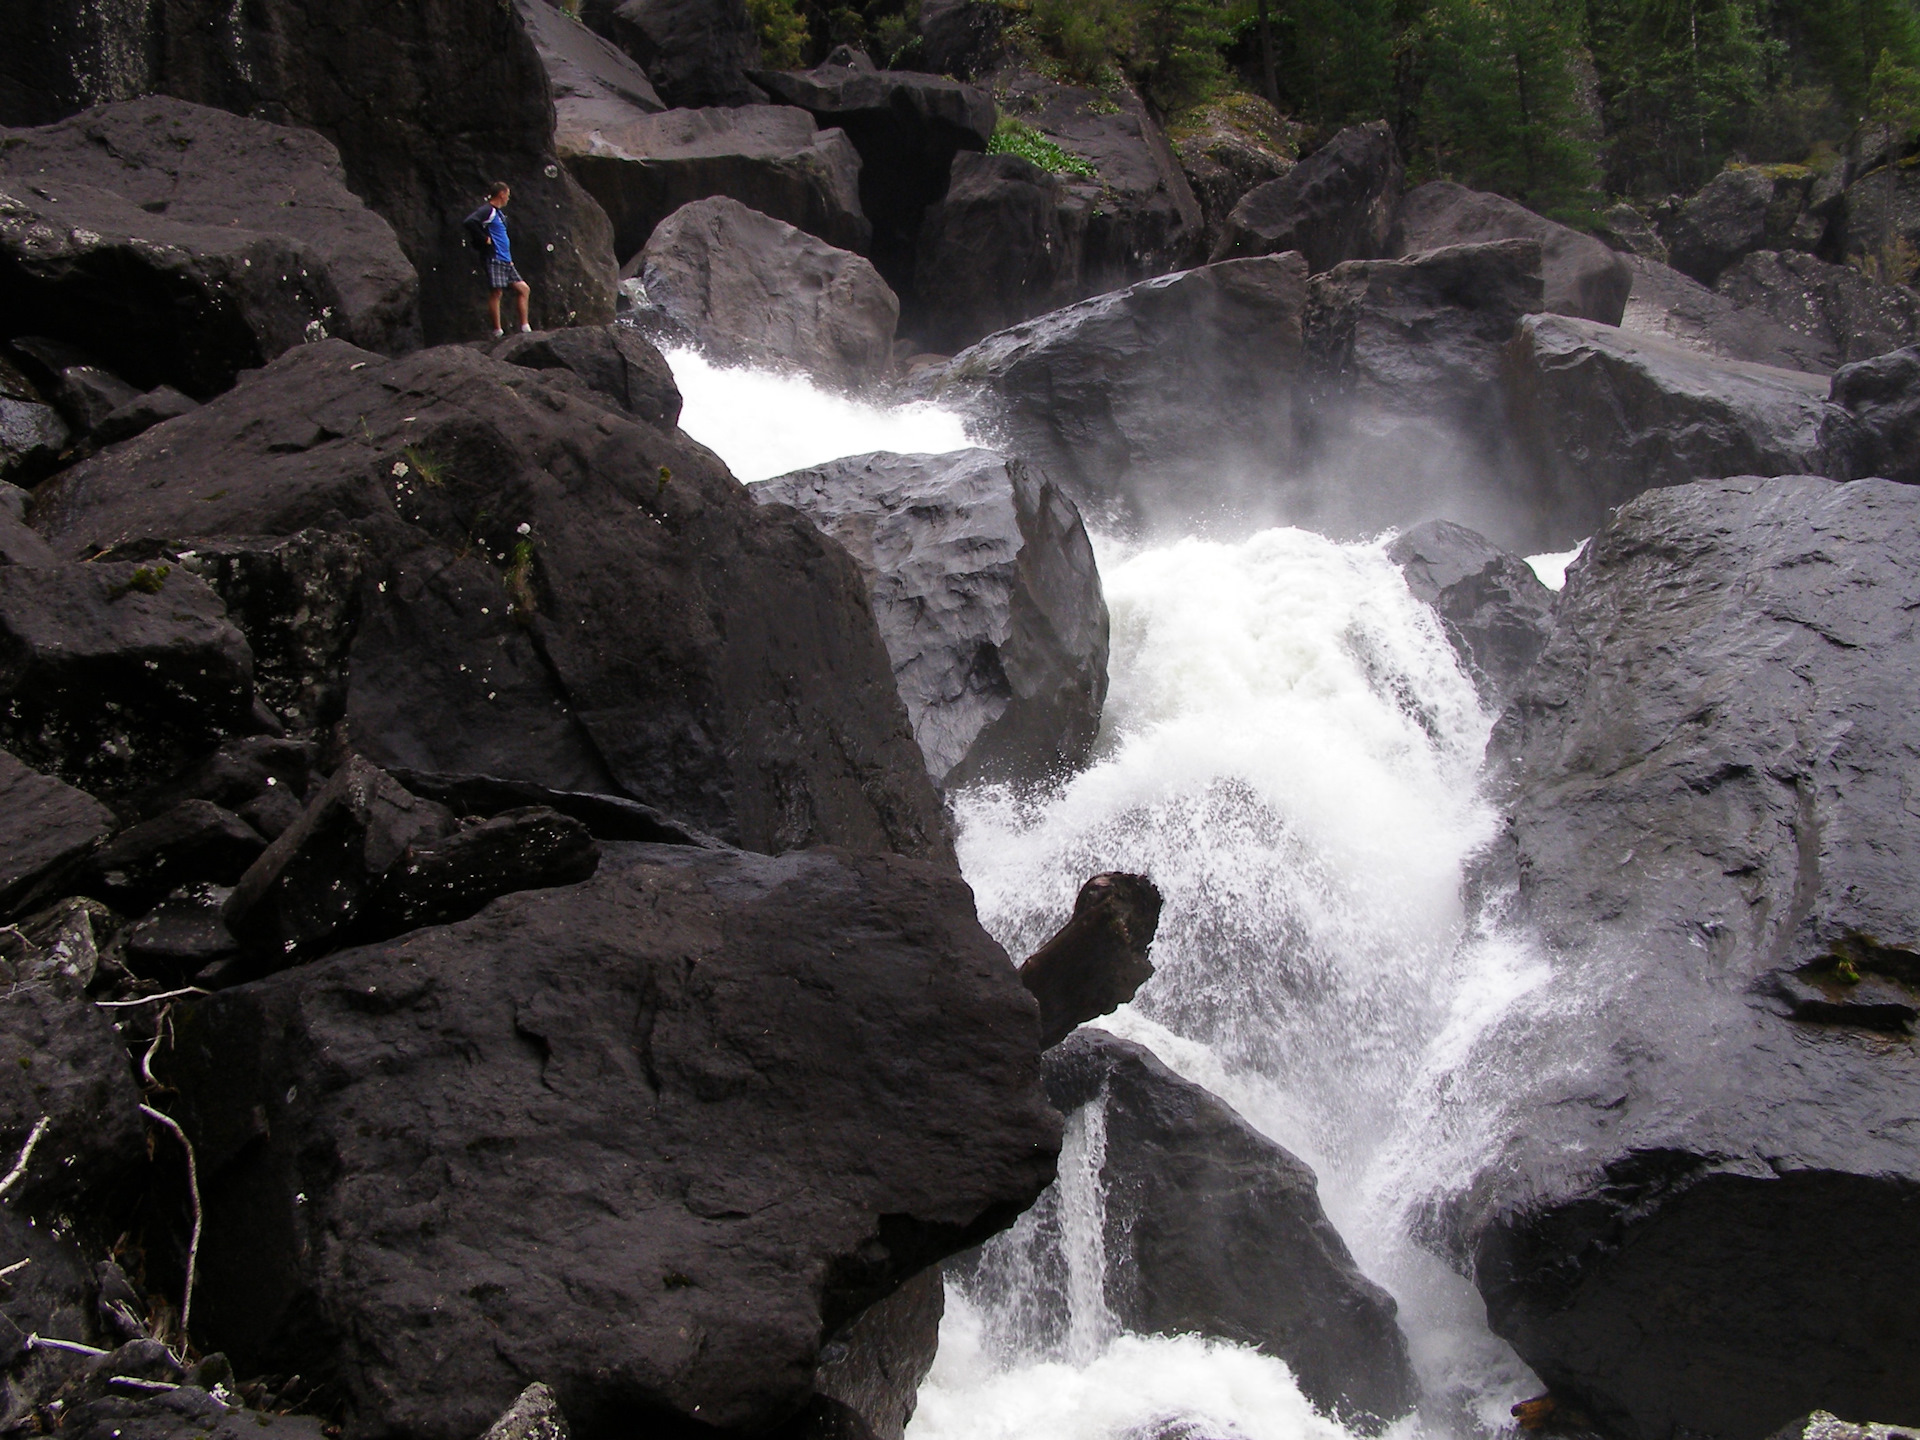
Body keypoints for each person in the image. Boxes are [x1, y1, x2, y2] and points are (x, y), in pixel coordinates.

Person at [471, 182, 531, 338]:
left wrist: (509, 259)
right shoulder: (487, 210)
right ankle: (497, 330)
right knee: (497, 292)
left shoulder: (499, 214)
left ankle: (525, 327)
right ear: (501, 194)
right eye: (508, 195)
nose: (508, 199)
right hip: (494, 257)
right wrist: (484, 239)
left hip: (506, 260)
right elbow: (470, 222)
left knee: (524, 289)